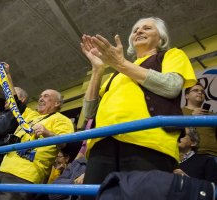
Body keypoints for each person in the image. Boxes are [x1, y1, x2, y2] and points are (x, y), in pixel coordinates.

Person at [80, 16, 197, 191]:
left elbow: (171, 87)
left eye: (147, 28)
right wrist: (98, 68)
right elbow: (89, 111)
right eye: (135, 30)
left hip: (148, 142)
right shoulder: (117, 74)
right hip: (101, 145)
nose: (139, 31)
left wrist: (121, 63)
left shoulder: (172, 55)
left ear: (161, 38)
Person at [0, 88, 74, 200]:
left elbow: (66, 143)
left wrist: (47, 133)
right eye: (40, 96)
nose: (41, 98)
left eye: (46, 96)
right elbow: (14, 102)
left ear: (57, 103)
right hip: (3, 170)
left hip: (25, 176)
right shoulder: (31, 115)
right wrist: (7, 76)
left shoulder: (62, 120)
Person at [182, 82, 217, 157]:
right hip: (189, 155)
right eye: (195, 90)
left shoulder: (213, 115)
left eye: (202, 91)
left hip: (213, 154)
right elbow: (175, 131)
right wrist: (192, 117)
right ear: (186, 96)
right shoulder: (178, 112)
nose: (200, 92)